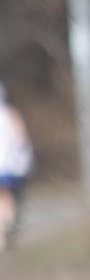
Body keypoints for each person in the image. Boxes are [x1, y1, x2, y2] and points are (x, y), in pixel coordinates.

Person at [0, 81, 33, 251]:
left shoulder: (10, 115)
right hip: (8, 165)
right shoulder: (11, 115)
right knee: (7, 197)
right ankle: (6, 229)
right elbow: (22, 138)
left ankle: (4, 231)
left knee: (4, 197)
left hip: (6, 164)